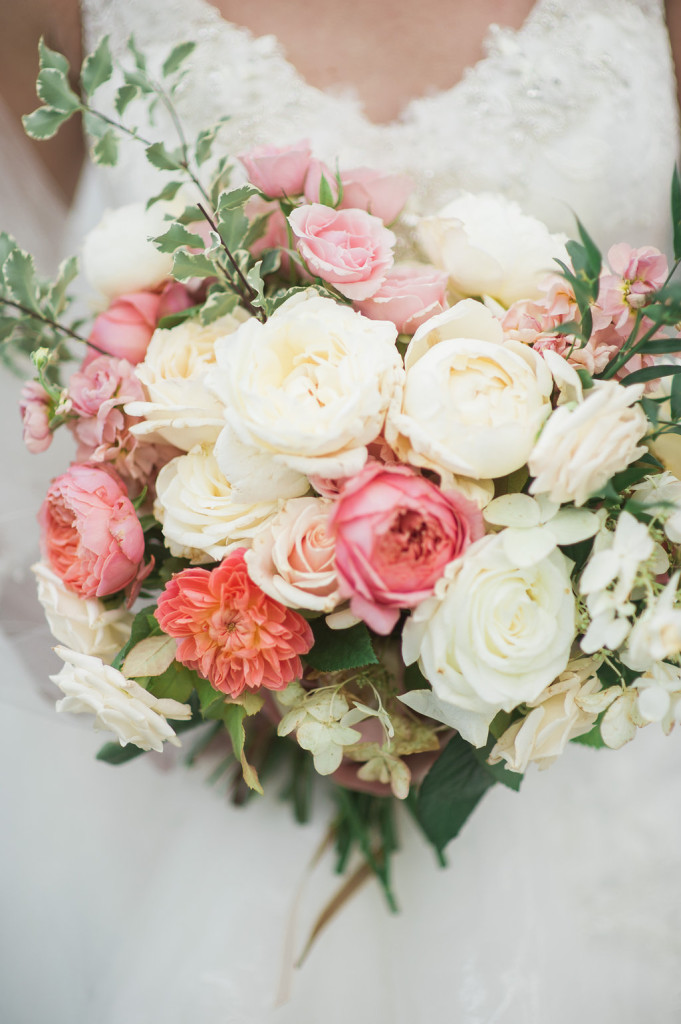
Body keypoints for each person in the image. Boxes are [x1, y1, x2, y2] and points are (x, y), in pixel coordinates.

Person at [1, 2, 681, 1022]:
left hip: (608, 720)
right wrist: (263, 641)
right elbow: (68, 283)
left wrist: (550, 635)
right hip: (219, 769)